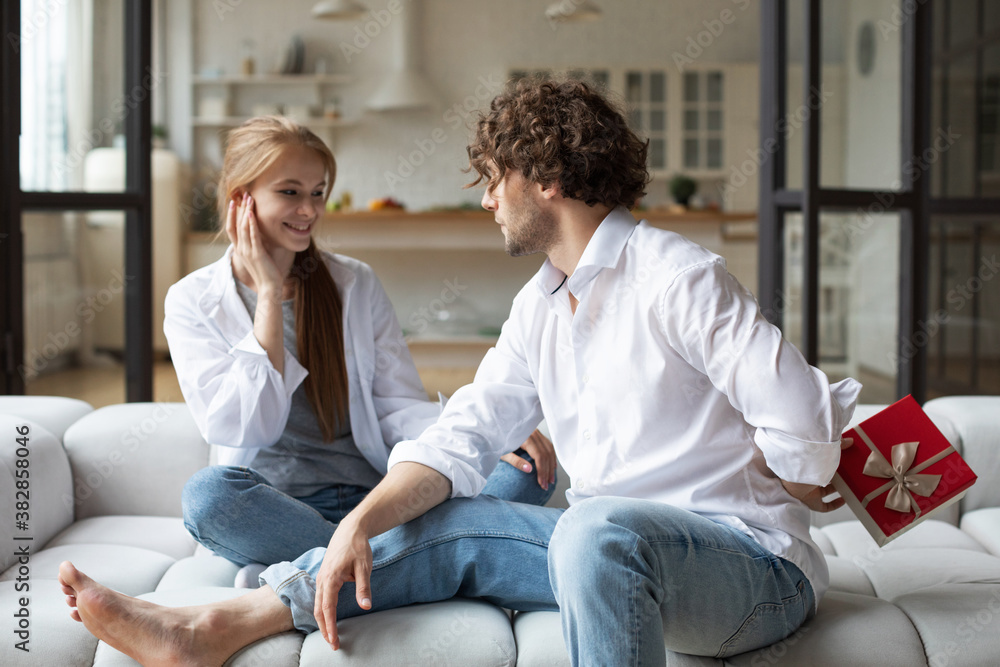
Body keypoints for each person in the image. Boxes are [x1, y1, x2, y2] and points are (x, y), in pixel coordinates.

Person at [60, 81, 859, 667]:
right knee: (456, 522)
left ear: (545, 179)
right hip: (611, 558)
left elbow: (800, 409)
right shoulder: (541, 304)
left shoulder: (676, 274)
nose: (486, 202)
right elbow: (462, 433)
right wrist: (361, 521)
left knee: (594, 526)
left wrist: (799, 468)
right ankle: (212, 628)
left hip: (747, 569)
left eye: (494, 180)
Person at [165, 116, 556, 575]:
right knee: (207, 498)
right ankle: (402, 561)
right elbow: (249, 429)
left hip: (375, 500)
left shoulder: (354, 283)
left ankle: (350, 564)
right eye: (290, 192)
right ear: (241, 199)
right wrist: (268, 294)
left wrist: (485, 428)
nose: (308, 210)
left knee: (527, 468)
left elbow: (398, 407)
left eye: (317, 192)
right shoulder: (192, 300)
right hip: (277, 505)